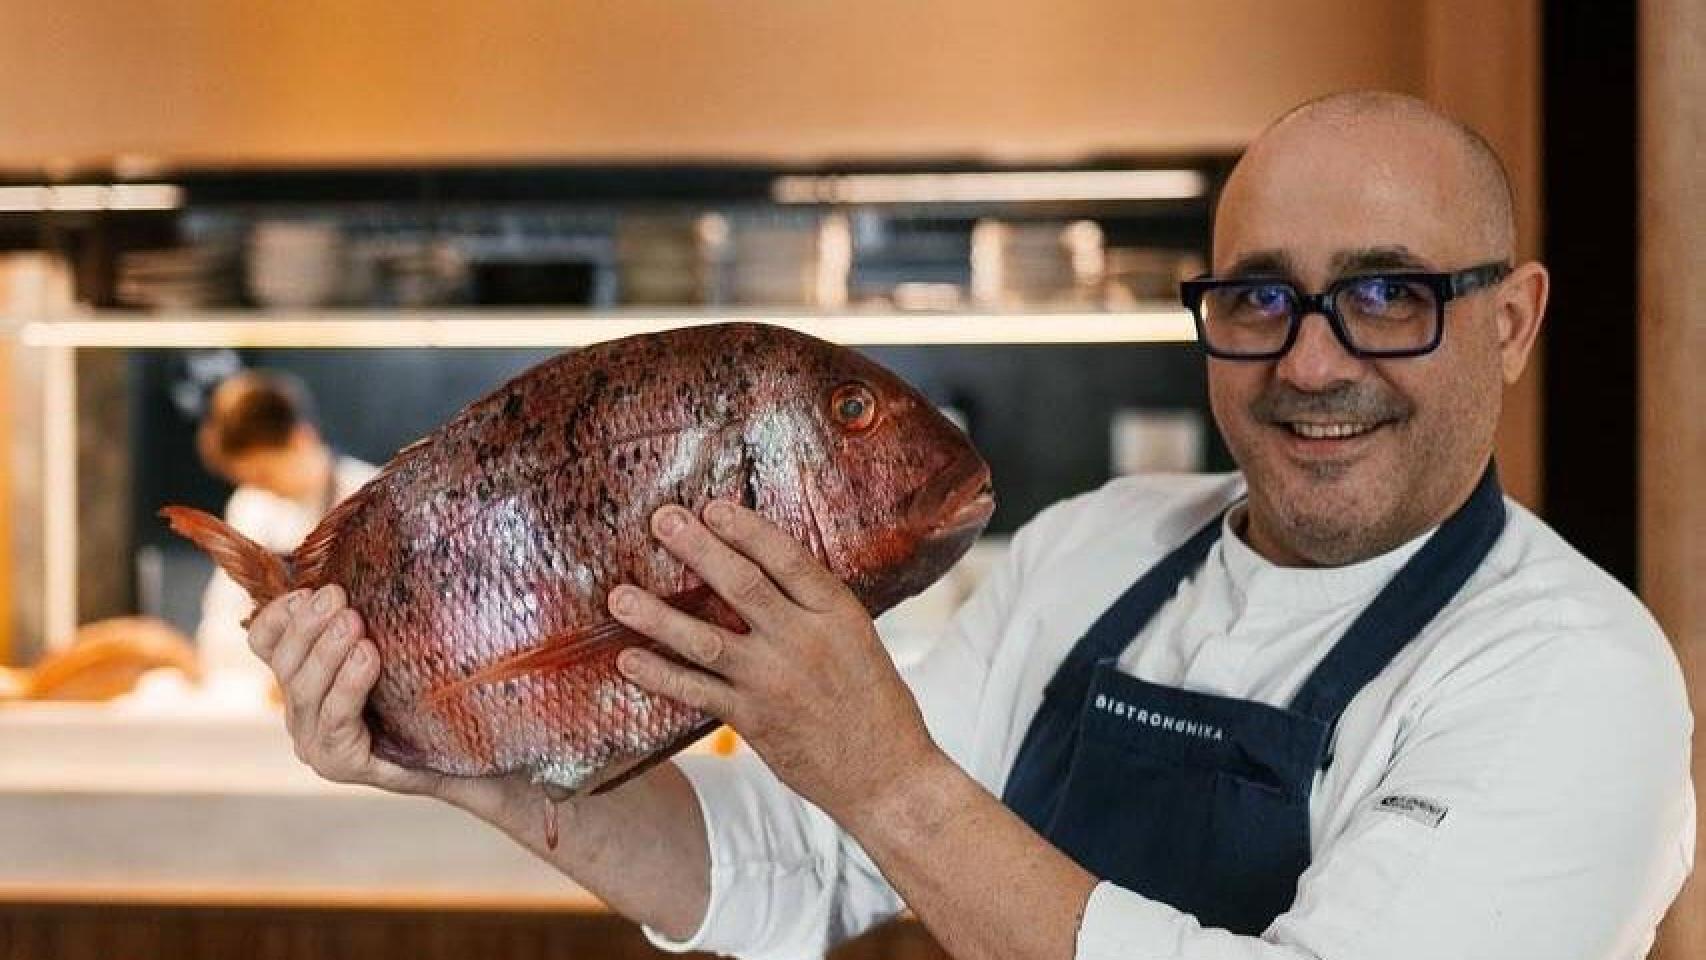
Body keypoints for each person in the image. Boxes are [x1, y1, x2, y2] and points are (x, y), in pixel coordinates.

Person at [243, 92, 1693, 959]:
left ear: (1510, 322)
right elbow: (791, 873)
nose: (1310, 363)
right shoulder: (1103, 549)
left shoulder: (1570, 676)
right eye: (1258, 296)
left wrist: (888, 780)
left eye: (1386, 294)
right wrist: (462, 764)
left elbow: (880, 809)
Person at [194, 371, 377, 683]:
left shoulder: (370, 496)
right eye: (249, 479)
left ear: (300, 438)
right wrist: (274, 671)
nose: (262, 488)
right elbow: (219, 627)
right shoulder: (251, 506)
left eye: (264, 474)